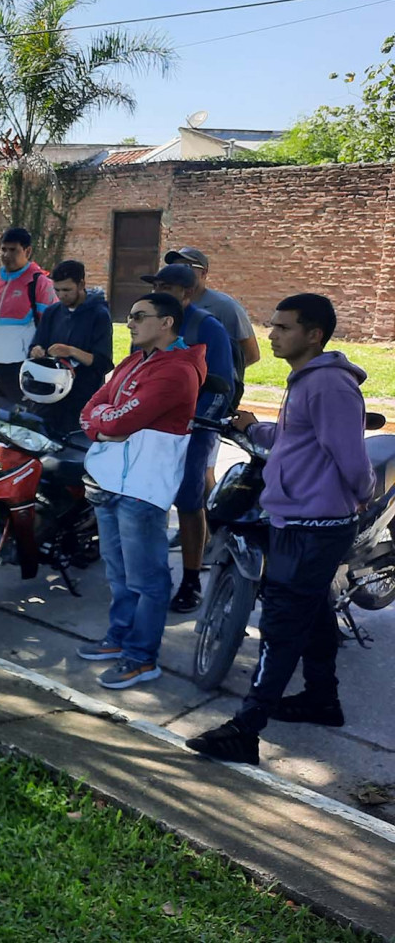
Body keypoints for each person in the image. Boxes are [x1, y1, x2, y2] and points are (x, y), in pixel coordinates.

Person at [187, 295, 374, 766]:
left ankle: (246, 729)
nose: (271, 335)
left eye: (283, 327)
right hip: (299, 520)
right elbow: (298, 439)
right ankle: (322, 700)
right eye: (272, 326)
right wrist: (256, 429)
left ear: (313, 334)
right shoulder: (307, 381)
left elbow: (352, 459)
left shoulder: (330, 385)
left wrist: (359, 496)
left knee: (281, 626)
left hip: (316, 525)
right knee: (311, 614)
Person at [77, 292, 204, 690]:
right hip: (109, 480)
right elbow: (92, 407)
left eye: (138, 316)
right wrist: (103, 422)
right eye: (129, 315)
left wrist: (105, 423)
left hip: (142, 488)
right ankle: (119, 639)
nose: (128, 322)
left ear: (166, 322)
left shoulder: (177, 371)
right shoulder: (135, 360)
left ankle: (141, 657)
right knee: (118, 573)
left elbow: (118, 420)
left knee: (148, 579)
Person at [143, 263, 235, 614]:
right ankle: (150, 575)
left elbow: (221, 386)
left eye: (165, 287)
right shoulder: (151, 322)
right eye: (156, 285)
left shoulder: (207, 327)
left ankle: (191, 580)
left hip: (194, 430)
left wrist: (193, 424)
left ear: (187, 292)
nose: (158, 292)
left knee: (188, 501)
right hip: (150, 427)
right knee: (148, 497)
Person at [0, 226, 56, 402]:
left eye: (13, 250)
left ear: (27, 251)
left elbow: (50, 323)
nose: (6, 255)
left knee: (18, 420)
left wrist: (41, 349)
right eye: (3, 249)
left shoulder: (39, 283)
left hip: (21, 367)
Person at [164, 246, 260, 402]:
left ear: (204, 273)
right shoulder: (166, 306)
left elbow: (251, 354)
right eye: (174, 266)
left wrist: (218, 376)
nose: (179, 272)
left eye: (187, 267)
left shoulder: (225, 307)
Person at [28, 260, 113, 434]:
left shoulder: (99, 315)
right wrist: (36, 350)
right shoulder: (52, 312)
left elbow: (103, 362)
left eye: (67, 290)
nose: (61, 295)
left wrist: (71, 351)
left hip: (82, 396)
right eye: (57, 290)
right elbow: (36, 345)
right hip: (49, 395)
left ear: (81, 284)